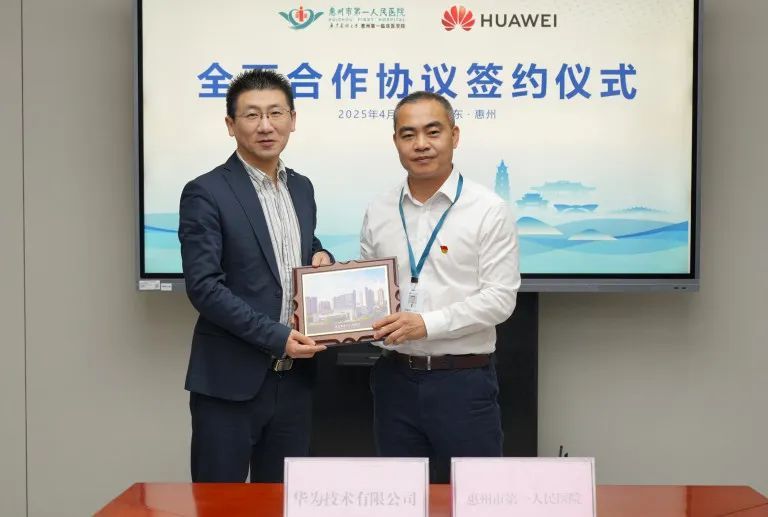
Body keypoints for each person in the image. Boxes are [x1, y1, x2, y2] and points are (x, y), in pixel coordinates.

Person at [178, 69, 331, 483]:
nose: (266, 126)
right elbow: (204, 288)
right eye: (252, 115)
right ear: (231, 125)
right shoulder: (206, 192)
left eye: (276, 113)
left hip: (295, 382)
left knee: (286, 500)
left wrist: (321, 255)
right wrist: (276, 337)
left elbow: (301, 245)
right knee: (219, 505)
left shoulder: (302, 188)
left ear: (292, 120)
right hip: (229, 383)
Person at [360, 91, 521, 482]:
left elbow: (499, 299)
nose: (421, 144)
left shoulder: (488, 210)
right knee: (400, 497)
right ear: (396, 141)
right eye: (408, 134)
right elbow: (368, 290)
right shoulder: (379, 209)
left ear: (454, 135)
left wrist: (426, 324)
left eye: (433, 132)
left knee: (473, 497)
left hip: (462, 384)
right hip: (393, 380)